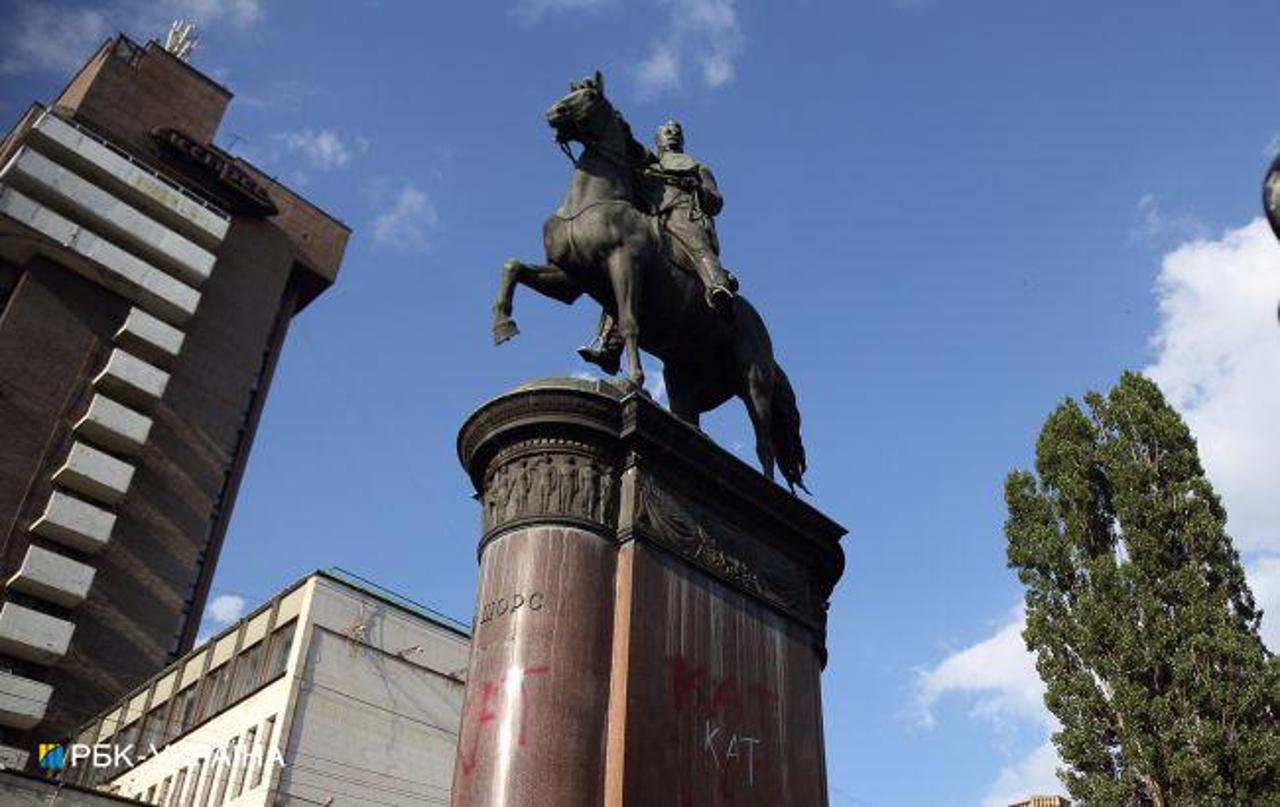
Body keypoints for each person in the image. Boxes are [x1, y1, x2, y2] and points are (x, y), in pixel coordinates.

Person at [578, 118, 737, 373]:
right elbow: (626, 148)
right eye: (666, 131)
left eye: (676, 132)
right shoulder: (648, 162)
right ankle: (610, 346)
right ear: (657, 139)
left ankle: (718, 287)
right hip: (650, 219)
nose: (672, 134)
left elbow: (716, 202)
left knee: (694, 241)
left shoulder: (697, 167)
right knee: (623, 270)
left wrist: (697, 187)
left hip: (682, 213)